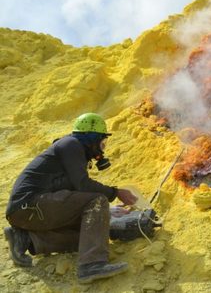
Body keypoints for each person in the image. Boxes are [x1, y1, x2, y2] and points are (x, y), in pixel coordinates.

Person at [3, 113, 138, 284]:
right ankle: (91, 265)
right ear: (92, 138)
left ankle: (26, 239)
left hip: (28, 212)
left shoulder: (70, 151)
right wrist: (115, 192)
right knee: (98, 200)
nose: (102, 148)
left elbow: (74, 197)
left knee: (88, 237)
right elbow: (83, 185)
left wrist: (106, 213)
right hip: (29, 206)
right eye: (102, 142)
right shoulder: (71, 145)